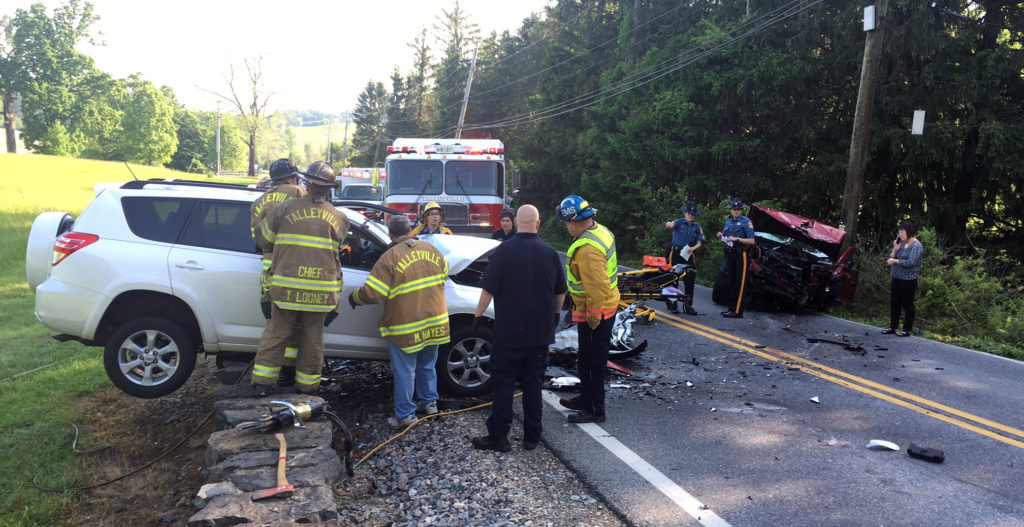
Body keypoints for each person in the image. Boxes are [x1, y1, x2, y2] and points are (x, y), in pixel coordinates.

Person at [471, 205, 567, 452]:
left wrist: (478, 316)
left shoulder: (505, 250)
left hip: (509, 334)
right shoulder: (550, 253)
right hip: (539, 334)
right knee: (533, 385)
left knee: (503, 385)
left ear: (515, 222)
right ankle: (532, 437)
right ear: (538, 223)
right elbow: (560, 291)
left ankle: (499, 437)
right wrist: (555, 316)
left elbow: (488, 288)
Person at [251, 161, 349, 397]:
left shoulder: (284, 209)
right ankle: (307, 388)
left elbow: (263, 240)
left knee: (276, 334)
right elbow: (339, 247)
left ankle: (262, 385)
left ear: (306, 182)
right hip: (320, 293)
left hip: (286, 289)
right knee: (313, 340)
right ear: (329, 189)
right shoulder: (339, 217)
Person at [348, 215, 449, 430]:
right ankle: (430, 403)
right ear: (411, 230)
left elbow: (373, 293)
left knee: (405, 371)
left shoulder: (389, 258)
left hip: (407, 327)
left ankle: (405, 415)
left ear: (390, 234)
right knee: (427, 365)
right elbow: (445, 273)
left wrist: (354, 297)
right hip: (435, 322)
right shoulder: (431, 250)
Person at [556, 195, 620, 423]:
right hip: (605, 307)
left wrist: (593, 319)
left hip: (596, 314)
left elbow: (597, 287)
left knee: (593, 363)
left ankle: (594, 410)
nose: (566, 228)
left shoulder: (587, 250)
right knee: (586, 360)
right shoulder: (600, 231)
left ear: (573, 222)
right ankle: (586, 398)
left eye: (566, 223)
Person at [250, 158, 307, 388]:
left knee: (275, 325)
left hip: (270, 270)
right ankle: (287, 372)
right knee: (295, 325)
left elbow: (257, 239)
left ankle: (267, 377)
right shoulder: (299, 193)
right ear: (293, 177)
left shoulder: (258, 201)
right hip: (294, 266)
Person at [716, 197, 756, 319]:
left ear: (741, 210)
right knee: (731, 281)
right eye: (734, 209)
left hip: (741, 255)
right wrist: (721, 236)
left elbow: (752, 241)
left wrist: (737, 239)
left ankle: (738, 311)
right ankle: (731, 309)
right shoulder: (728, 222)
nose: (736, 211)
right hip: (730, 253)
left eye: (738, 209)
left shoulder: (746, 222)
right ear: (731, 210)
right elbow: (727, 238)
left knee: (740, 283)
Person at [663, 201, 704, 315]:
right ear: (685, 213)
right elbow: (670, 225)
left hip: (688, 253)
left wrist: (693, 248)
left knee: (690, 279)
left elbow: (700, 243)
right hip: (676, 253)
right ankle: (673, 304)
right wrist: (668, 224)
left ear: (695, 215)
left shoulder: (697, 227)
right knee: (673, 278)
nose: (690, 216)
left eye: (692, 214)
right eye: (688, 213)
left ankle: (688, 305)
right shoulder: (678, 222)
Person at [884, 221, 923, 337]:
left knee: (907, 304)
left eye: (902, 232)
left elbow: (911, 262)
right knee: (895, 303)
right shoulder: (901, 244)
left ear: (909, 232)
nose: (900, 235)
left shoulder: (916, 245)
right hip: (896, 277)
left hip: (908, 280)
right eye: (899, 232)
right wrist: (895, 250)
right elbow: (890, 259)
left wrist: (895, 261)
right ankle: (893, 327)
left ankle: (907, 329)